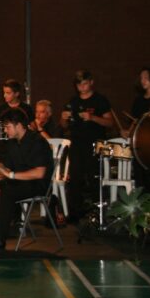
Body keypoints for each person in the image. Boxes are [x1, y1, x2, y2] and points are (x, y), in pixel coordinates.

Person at [0, 107, 53, 250]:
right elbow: (7, 170)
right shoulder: (12, 143)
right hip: (19, 182)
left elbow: (39, 173)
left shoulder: (37, 141)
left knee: (7, 192)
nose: (5, 130)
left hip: (37, 184)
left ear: (19, 125)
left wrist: (11, 175)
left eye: (8, 127)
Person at [60, 70, 113, 222]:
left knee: (94, 177)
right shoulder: (73, 102)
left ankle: (98, 212)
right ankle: (75, 213)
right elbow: (63, 126)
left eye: (84, 83)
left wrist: (93, 118)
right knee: (75, 178)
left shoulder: (100, 100)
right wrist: (63, 118)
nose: (82, 87)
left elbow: (110, 123)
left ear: (91, 82)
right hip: (77, 144)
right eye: (79, 84)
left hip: (95, 143)